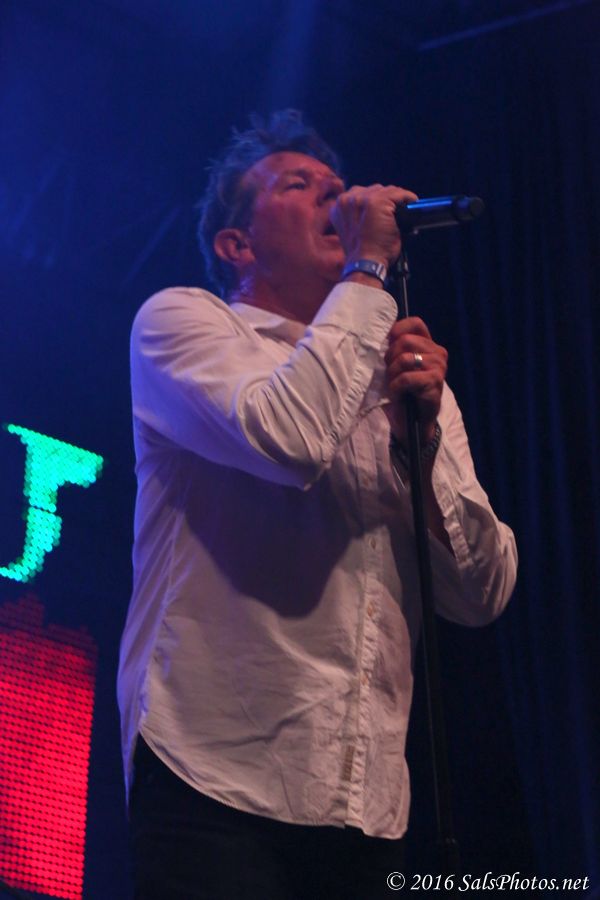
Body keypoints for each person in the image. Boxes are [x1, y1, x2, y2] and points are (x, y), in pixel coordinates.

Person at [118, 110, 517, 899]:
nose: (338, 196)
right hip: (214, 778)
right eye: (301, 186)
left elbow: (483, 593)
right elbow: (290, 437)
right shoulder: (185, 323)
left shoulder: (403, 375)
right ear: (237, 245)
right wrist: (367, 267)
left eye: (338, 185)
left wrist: (422, 439)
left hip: (365, 803)